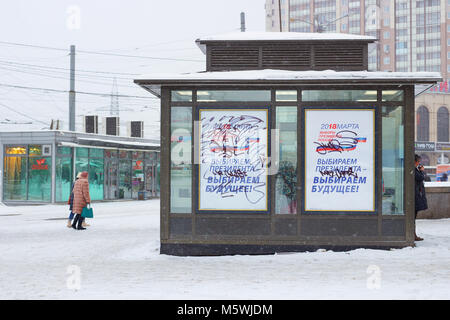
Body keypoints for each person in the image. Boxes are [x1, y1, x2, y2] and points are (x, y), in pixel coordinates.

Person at [414, 154, 427, 241]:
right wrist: (422, 171)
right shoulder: (413, 170)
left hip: (416, 195)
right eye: (418, 161)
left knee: (413, 217)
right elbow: (420, 177)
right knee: (413, 217)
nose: (419, 163)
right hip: (415, 196)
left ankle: (413, 234)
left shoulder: (414, 169)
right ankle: (413, 235)